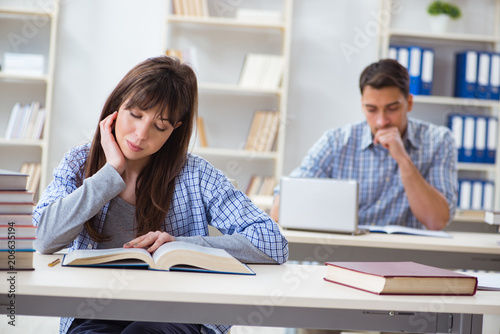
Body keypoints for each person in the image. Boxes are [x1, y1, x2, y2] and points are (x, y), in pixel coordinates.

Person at [33, 56, 289, 334]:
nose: (141, 134)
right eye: (135, 114)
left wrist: (181, 246)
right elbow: (43, 238)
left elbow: (273, 242)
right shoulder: (79, 162)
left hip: (178, 310)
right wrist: (110, 173)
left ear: (174, 130)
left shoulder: (196, 174)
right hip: (97, 310)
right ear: (117, 106)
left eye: (160, 126)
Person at [270, 58, 458, 231]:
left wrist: (403, 160)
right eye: (371, 110)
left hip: (405, 261)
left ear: (409, 103)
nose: (381, 121)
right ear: (362, 105)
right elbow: (280, 211)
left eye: (392, 109)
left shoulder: (439, 140)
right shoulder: (335, 142)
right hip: (343, 256)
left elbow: (436, 221)